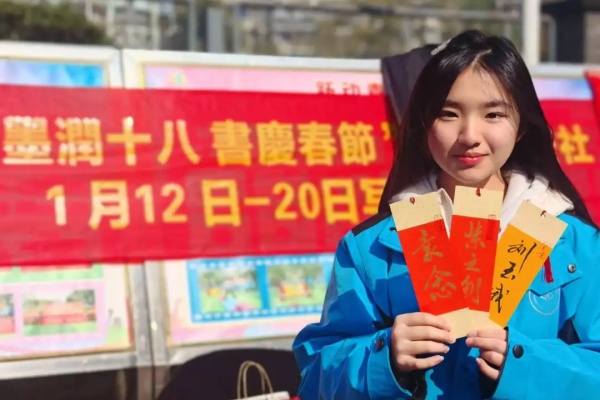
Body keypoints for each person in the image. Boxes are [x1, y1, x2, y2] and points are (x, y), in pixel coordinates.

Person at [292, 30, 600, 399]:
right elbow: (316, 376)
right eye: (448, 114)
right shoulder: (371, 248)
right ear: (423, 124)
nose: (470, 135)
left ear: (521, 127)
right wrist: (384, 357)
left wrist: (525, 363)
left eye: (494, 114)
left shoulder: (576, 243)